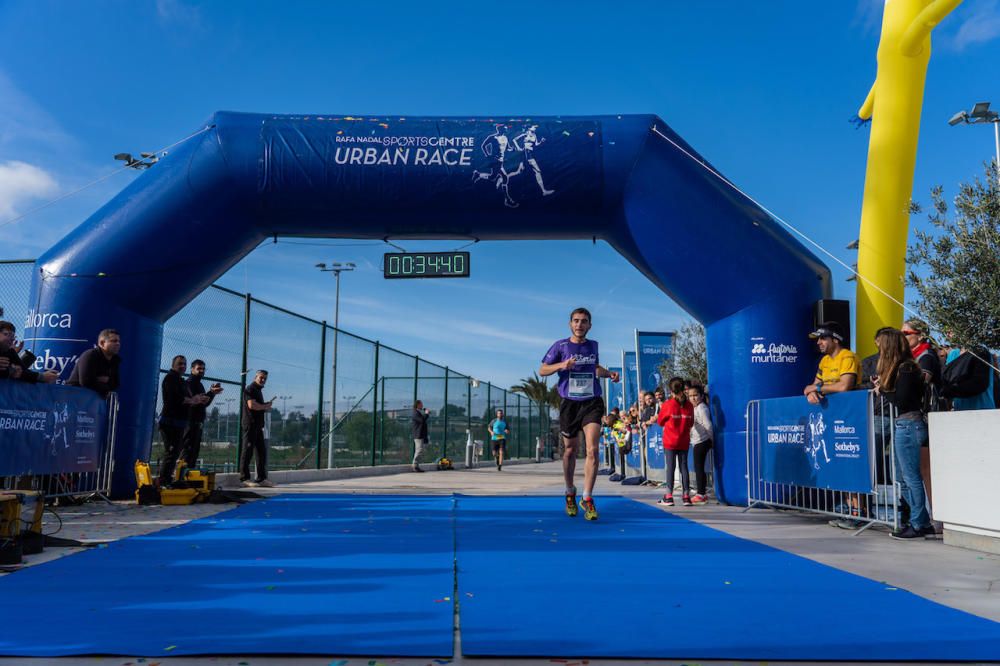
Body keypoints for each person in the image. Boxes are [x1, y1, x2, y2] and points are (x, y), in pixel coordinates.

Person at [540, 307, 620, 520]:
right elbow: (542, 370)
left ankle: (587, 497)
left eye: (584, 321)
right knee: (569, 451)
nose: (579, 325)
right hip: (569, 404)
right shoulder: (560, 346)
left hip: (592, 402)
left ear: (590, 325)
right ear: (570, 324)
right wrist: (562, 365)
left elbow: (594, 368)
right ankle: (569, 491)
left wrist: (608, 373)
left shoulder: (593, 345)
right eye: (576, 321)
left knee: (592, 449)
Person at [873, 329, 934, 540]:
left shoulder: (906, 368)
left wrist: (883, 390)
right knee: (899, 477)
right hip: (905, 425)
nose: (878, 350)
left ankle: (918, 523)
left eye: (880, 345)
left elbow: (903, 400)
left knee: (910, 477)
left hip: (909, 424)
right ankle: (921, 520)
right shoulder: (902, 368)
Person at [158, 355, 209, 486]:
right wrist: (192, 400)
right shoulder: (170, 378)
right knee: (171, 452)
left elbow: (189, 400)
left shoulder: (181, 381)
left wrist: (198, 399)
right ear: (173, 364)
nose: (183, 366)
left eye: (184, 364)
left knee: (175, 453)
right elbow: (175, 399)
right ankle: (164, 481)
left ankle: (170, 480)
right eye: (180, 364)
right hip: (170, 422)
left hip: (180, 423)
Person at [656, 377, 695, 506]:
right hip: (684, 440)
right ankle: (686, 496)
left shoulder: (668, 404)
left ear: (670, 389)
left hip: (670, 441)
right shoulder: (689, 404)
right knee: (684, 467)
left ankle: (668, 496)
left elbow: (660, 421)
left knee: (670, 468)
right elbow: (691, 422)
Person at [181, 359, 223, 469]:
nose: (201, 371)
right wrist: (208, 394)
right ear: (192, 369)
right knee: (187, 450)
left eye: (203, 369)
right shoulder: (188, 384)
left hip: (198, 422)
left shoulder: (199, 385)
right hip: (189, 422)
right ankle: (180, 477)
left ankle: (189, 475)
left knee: (194, 450)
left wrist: (212, 393)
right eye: (199, 368)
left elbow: (204, 403)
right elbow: (196, 400)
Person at [803, 321, 859, 405]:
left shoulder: (848, 356)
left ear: (836, 339)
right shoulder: (824, 360)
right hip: (832, 408)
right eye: (818, 339)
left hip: (850, 408)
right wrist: (812, 393)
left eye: (823, 338)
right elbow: (815, 385)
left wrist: (816, 388)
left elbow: (844, 386)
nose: (818, 342)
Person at [240, 370, 274, 488]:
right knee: (247, 451)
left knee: (261, 452)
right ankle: (244, 478)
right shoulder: (250, 389)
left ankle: (261, 479)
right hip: (250, 425)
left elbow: (257, 405)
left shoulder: (258, 391)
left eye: (265, 378)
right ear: (255, 377)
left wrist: (265, 405)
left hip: (258, 426)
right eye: (261, 377)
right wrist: (265, 406)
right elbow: (251, 405)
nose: (263, 380)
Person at [66, 328, 121, 397]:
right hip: (74, 398)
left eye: (118, 341)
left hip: (93, 401)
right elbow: (86, 382)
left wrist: (97, 381)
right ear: (102, 343)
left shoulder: (115, 360)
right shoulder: (90, 355)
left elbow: (115, 384)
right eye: (114, 341)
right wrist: (103, 384)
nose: (118, 344)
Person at [686, 383, 713, 504]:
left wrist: (712, 440)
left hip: (703, 441)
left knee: (699, 468)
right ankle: (702, 493)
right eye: (690, 396)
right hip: (696, 441)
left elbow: (708, 425)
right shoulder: (694, 408)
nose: (693, 398)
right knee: (699, 468)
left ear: (701, 396)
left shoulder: (702, 408)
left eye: (695, 395)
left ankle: (701, 494)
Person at [411, 400, 429, 472]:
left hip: (421, 434)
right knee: (419, 450)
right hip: (418, 435)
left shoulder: (418, 412)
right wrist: (426, 414)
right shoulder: (415, 413)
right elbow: (421, 420)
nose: (422, 406)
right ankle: (415, 465)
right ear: (418, 405)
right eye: (421, 404)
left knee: (420, 450)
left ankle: (416, 465)